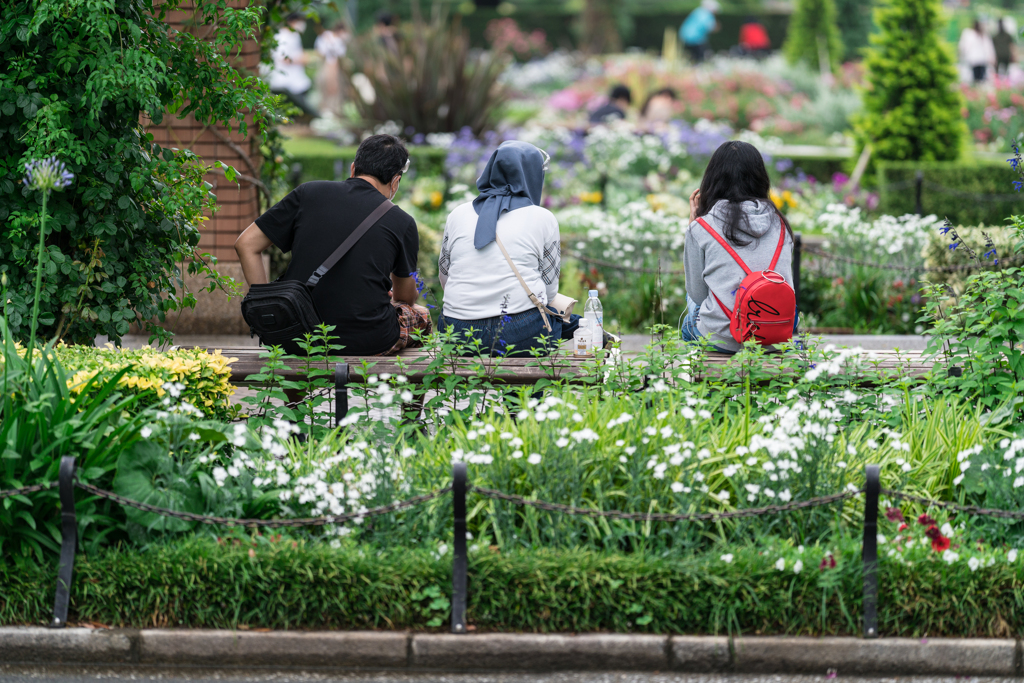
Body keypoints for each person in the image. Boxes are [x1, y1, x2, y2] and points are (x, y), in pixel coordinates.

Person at [235, 134, 431, 356]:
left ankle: (294, 391)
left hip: (300, 334)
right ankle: (399, 391)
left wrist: (268, 311)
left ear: (353, 168)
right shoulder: (402, 221)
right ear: (395, 181)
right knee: (421, 315)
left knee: (297, 356)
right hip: (369, 340)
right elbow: (404, 298)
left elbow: (246, 244)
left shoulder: (308, 193)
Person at [437, 141, 581, 357]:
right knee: (567, 322)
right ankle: (525, 392)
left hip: (457, 330)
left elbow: (445, 278)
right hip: (519, 329)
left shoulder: (457, 214)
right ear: (532, 175)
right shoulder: (543, 218)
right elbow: (549, 292)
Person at [680, 141, 795, 353]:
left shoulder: (702, 228)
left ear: (712, 180)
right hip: (774, 335)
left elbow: (697, 295)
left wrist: (693, 224)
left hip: (724, 338)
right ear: (760, 179)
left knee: (689, 321)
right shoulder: (781, 224)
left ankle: (705, 382)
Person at [268, 13, 319, 119]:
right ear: (292, 22)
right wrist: (302, 59)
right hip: (286, 79)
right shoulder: (283, 36)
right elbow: (282, 58)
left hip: (296, 77)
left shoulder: (293, 35)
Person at [314, 20, 349, 117]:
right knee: (332, 101)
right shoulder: (336, 41)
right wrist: (333, 81)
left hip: (324, 71)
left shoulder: (326, 37)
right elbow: (333, 61)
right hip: (330, 72)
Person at [679, 0, 720, 64]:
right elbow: (710, 27)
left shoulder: (698, 11)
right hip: (696, 39)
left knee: (692, 57)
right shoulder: (706, 14)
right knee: (700, 57)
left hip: (686, 36)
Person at [959, 20, 996, 84]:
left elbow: (988, 47)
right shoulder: (970, 34)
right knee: (975, 78)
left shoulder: (983, 35)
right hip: (974, 59)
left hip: (981, 60)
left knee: (980, 78)